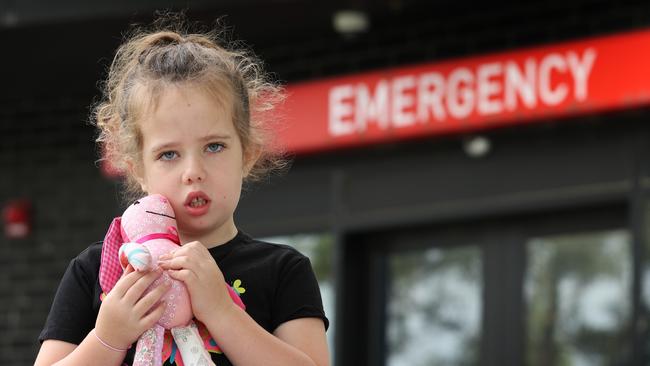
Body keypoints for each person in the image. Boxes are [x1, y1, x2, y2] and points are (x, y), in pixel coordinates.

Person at [34, 16, 329, 366]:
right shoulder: (97, 269)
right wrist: (107, 338)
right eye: (169, 154)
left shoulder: (284, 270)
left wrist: (222, 311)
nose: (193, 172)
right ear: (137, 168)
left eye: (214, 147)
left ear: (247, 154)